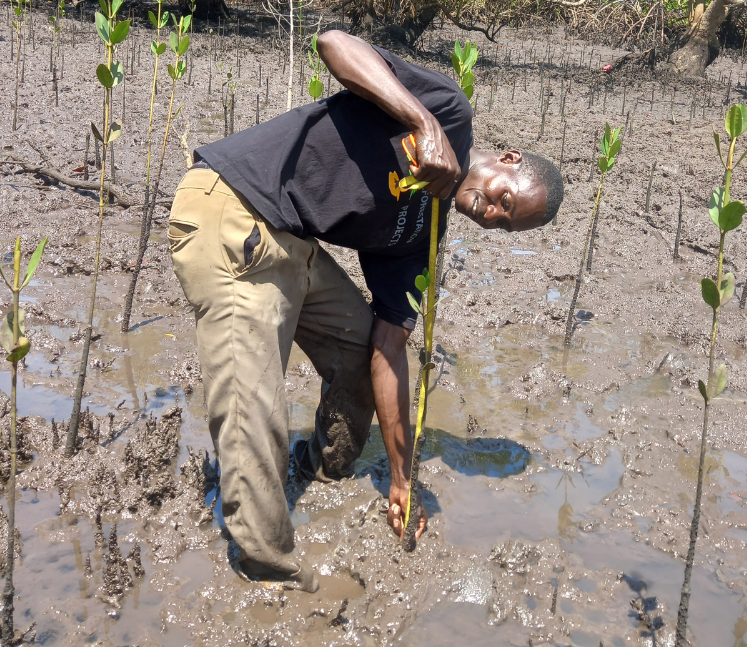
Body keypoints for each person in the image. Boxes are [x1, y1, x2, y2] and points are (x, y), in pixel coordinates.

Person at [168, 31, 563, 590]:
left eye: (505, 222)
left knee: (359, 343)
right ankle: (269, 577)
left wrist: (402, 477)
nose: (493, 212)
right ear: (508, 159)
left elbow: (389, 346)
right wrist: (422, 124)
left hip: (289, 243)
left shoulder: (424, 238)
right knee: (255, 404)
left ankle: (323, 465)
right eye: (506, 198)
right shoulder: (448, 113)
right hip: (230, 205)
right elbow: (334, 44)